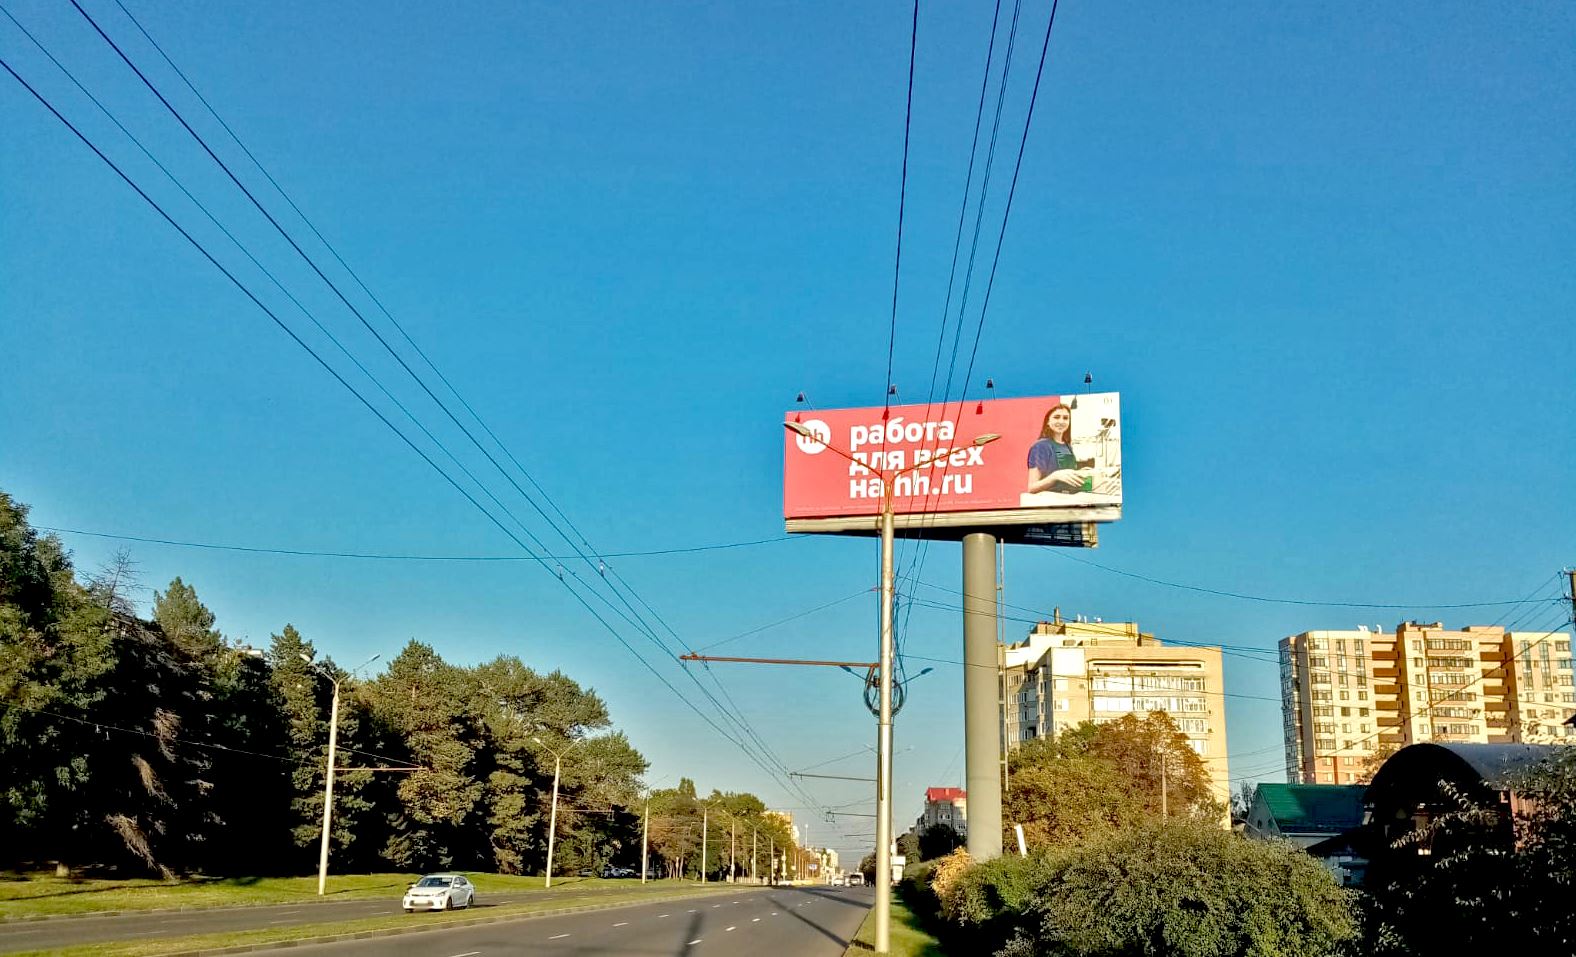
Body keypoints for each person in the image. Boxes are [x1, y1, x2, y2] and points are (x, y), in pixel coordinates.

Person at [1026, 401, 1090, 493]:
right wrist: (1055, 476)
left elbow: (1066, 475)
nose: (1061, 421)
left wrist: (1079, 473)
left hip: (1068, 499)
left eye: (1065, 418)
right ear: (1048, 421)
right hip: (1050, 502)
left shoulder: (1068, 446)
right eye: (1056, 417)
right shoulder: (1040, 447)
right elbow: (1032, 488)